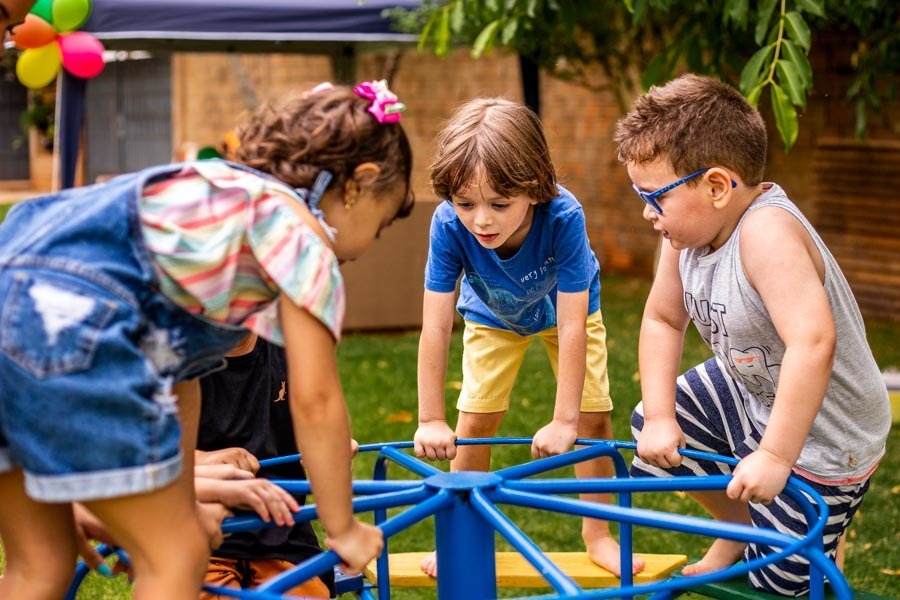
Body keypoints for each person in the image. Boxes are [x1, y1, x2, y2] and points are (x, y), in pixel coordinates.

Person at [0, 80, 413, 600]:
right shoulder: (300, 234)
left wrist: (179, 501)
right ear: (359, 184)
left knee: (40, 563)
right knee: (179, 554)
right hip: (73, 324)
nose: (370, 243)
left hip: (11, 303)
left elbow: (182, 384)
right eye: (380, 224)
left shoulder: (214, 203)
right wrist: (343, 528)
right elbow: (316, 400)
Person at [615, 74, 891, 595]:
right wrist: (658, 417)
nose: (648, 212)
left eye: (655, 197)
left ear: (717, 186)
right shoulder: (681, 238)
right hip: (753, 383)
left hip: (828, 433)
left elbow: (813, 342)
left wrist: (774, 456)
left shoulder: (766, 235)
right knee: (663, 421)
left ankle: (781, 548)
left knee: (779, 578)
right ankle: (739, 524)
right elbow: (662, 318)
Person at [413, 97, 643, 579]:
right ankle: (464, 535)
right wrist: (431, 418)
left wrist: (564, 419)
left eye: (499, 204)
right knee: (472, 425)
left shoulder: (563, 216)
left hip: (567, 315)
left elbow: (575, 323)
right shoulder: (449, 225)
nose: (482, 221)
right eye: (466, 204)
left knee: (592, 422)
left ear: (535, 187)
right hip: (492, 316)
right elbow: (435, 325)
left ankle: (598, 533)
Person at [195, 332, 333, 599]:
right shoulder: (174, 363)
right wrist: (200, 459)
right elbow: (138, 459)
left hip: (284, 538)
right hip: (200, 538)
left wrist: (325, 447)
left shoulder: (292, 351)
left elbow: (321, 427)